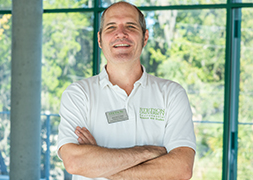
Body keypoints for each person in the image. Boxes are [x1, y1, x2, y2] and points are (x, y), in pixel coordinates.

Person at [57, 1, 196, 180]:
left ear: (145, 37)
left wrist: (100, 164)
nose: (121, 33)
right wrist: (148, 152)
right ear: (99, 39)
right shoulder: (78, 94)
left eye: (130, 26)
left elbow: (181, 169)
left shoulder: (171, 94)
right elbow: (75, 163)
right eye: (111, 27)